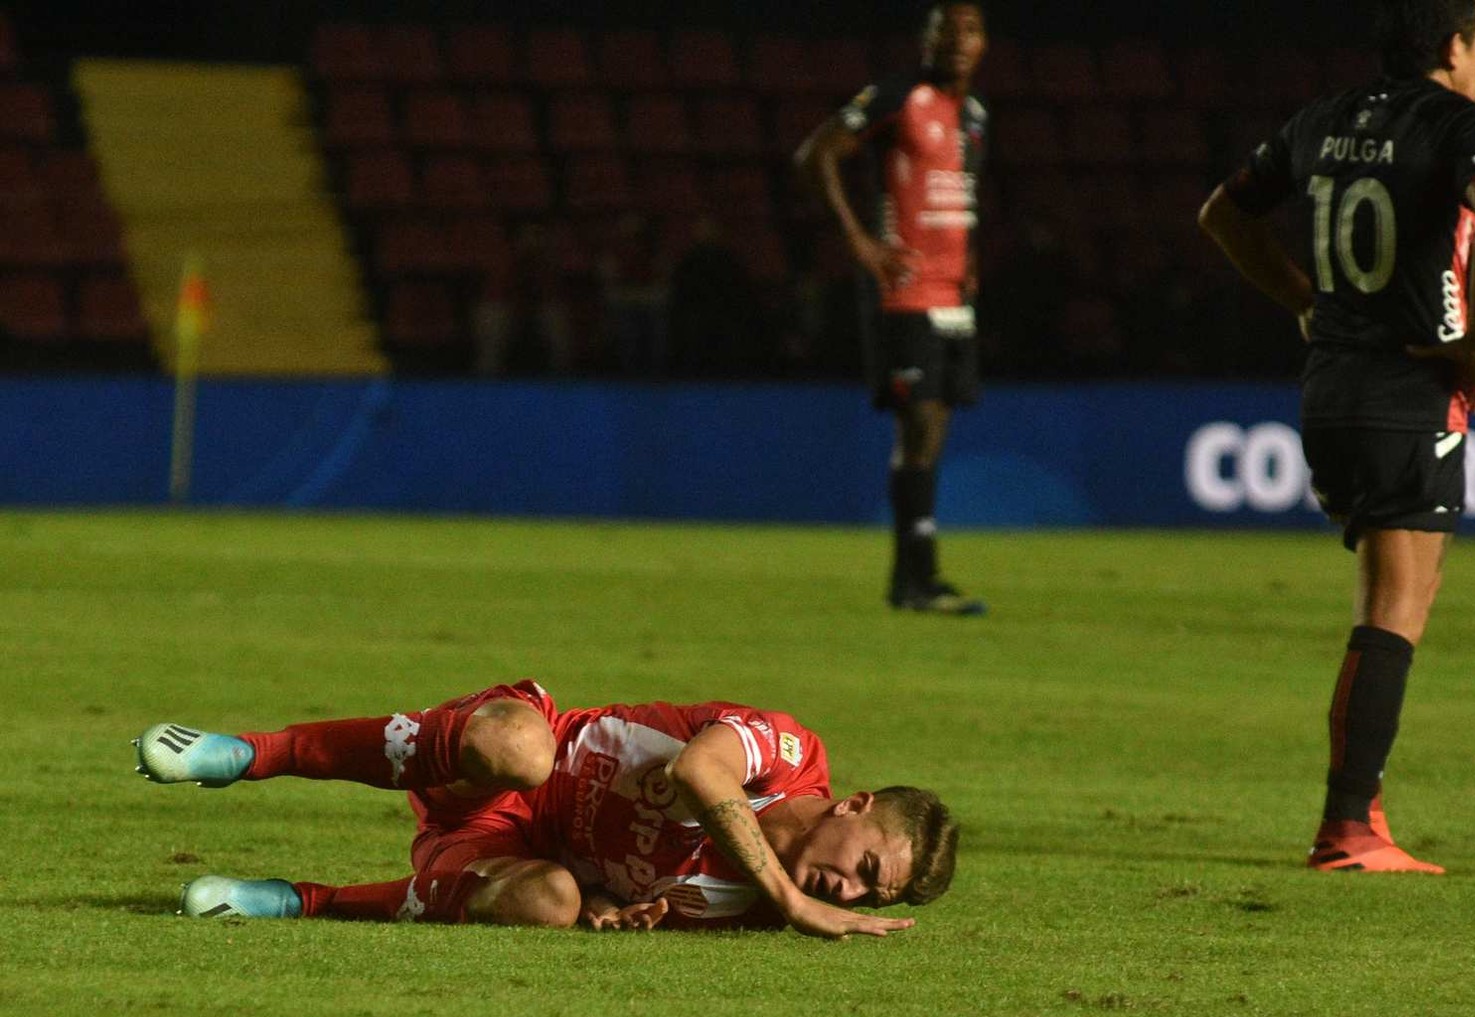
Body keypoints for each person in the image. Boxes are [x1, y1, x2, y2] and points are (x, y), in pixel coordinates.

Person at [1199, 0, 1475, 873]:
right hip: (1408, 388)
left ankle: (1358, 813)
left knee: (1390, 598)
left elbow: (1221, 214)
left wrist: (1303, 301)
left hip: (1329, 387)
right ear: (1451, 46)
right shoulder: (1461, 124)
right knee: (1393, 612)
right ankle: (1348, 825)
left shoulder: (1321, 119)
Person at [134, 678, 957, 936]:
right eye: (864, 866)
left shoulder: (748, 910)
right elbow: (702, 775)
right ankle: (248, 753)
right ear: (853, 804)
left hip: (500, 848)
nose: (845, 890)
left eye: (865, 895)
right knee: (518, 750)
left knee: (550, 902)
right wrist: (791, 899)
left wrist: (604, 905)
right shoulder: (787, 750)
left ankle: (297, 901)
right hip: (504, 760)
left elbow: (623, 898)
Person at [796, 1, 989, 615]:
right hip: (905, 289)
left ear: (983, 44)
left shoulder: (975, 116)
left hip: (953, 293)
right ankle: (916, 579)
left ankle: (915, 577)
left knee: (935, 429)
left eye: (970, 30)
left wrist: (968, 258)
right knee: (919, 425)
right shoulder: (897, 96)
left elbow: (956, 193)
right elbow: (816, 153)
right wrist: (858, 241)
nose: (957, 40)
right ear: (925, 40)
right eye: (945, 30)